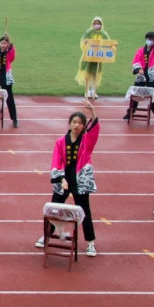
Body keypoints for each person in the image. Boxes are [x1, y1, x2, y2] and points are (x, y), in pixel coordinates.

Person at [37, 100, 101, 256]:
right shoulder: (60, 142)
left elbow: (95, 131)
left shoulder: (86, 141)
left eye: (80, 123)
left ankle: (91, 243)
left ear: (84, 126)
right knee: (54, 208)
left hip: (79, 179)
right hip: (64, 178)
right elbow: (56, 161)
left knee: (84, 210)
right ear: (69, 124)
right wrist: (61, 179)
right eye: (74, 122)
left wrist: (92, 111)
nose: (77, 125)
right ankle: (46, 236)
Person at [125, 25, 154, 125]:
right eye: (148, 39)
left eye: (152, 39)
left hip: (152, 74)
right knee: (136, 92)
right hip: (142, 75)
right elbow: (136, 61)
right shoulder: (140, 51)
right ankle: (131, 111)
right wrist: (139, 70)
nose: (149, 40)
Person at [76, 17, 110, 99]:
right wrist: (85, 43)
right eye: (95, 23)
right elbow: (83, 42)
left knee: (95, 74)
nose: (97, 25)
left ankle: (93, 91)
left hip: (97, 58)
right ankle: (87, 91)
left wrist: (113, 46)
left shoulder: (103, 34)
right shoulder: (88, 32)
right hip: (88, 57)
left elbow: (108, 43)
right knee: (87, 74)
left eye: (98, 23)